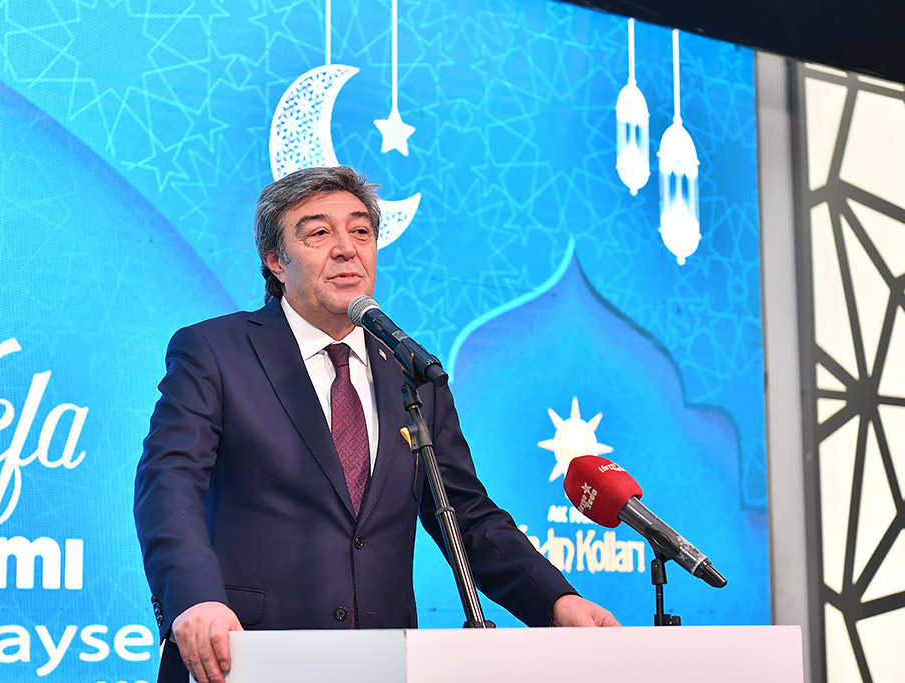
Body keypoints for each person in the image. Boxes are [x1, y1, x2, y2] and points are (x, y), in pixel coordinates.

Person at [134, 166, 618, 683]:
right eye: (319, 233)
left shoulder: (412, 371)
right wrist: (195, 598)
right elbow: (169, 482)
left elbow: (465, 515)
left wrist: (556, 601)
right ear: (276, 260)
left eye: (361, 231)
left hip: (386, 662)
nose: (347, 248)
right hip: (245, 655)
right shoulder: (216, 351)